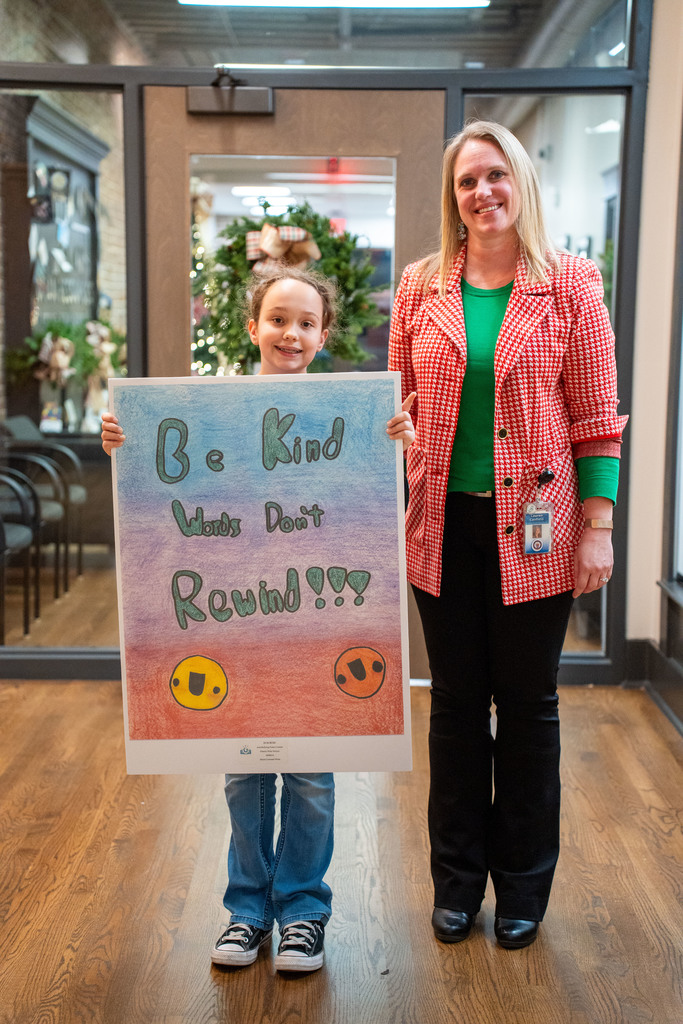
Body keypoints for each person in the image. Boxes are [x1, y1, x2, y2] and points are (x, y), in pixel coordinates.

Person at [102, 266, 415, 972]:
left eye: (305, 323)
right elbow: (160, 475)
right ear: (252, 328)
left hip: (313, 634)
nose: (290, 333)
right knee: (242, 777)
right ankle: (246, 911)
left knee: (311, 778)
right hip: (232, 634)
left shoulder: (350, 416)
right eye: (277, 319)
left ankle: (302, 911)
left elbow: (369, 507)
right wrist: (126, 439)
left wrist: (394, 439)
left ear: (324, 336)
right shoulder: (210, 411)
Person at [388, 120, 627, 950]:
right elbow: (394, 404)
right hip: (440, 524)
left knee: (527, 708)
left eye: (494, 175)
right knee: (455, 706)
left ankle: (523, 887)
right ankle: (455, 884)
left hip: (538, 529)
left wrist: (597, 526)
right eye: (466, 181)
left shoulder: (569, 283)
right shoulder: (419, 287)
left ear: (519, 181)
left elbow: (596, 418)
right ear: (451, 198)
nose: (481, 192)